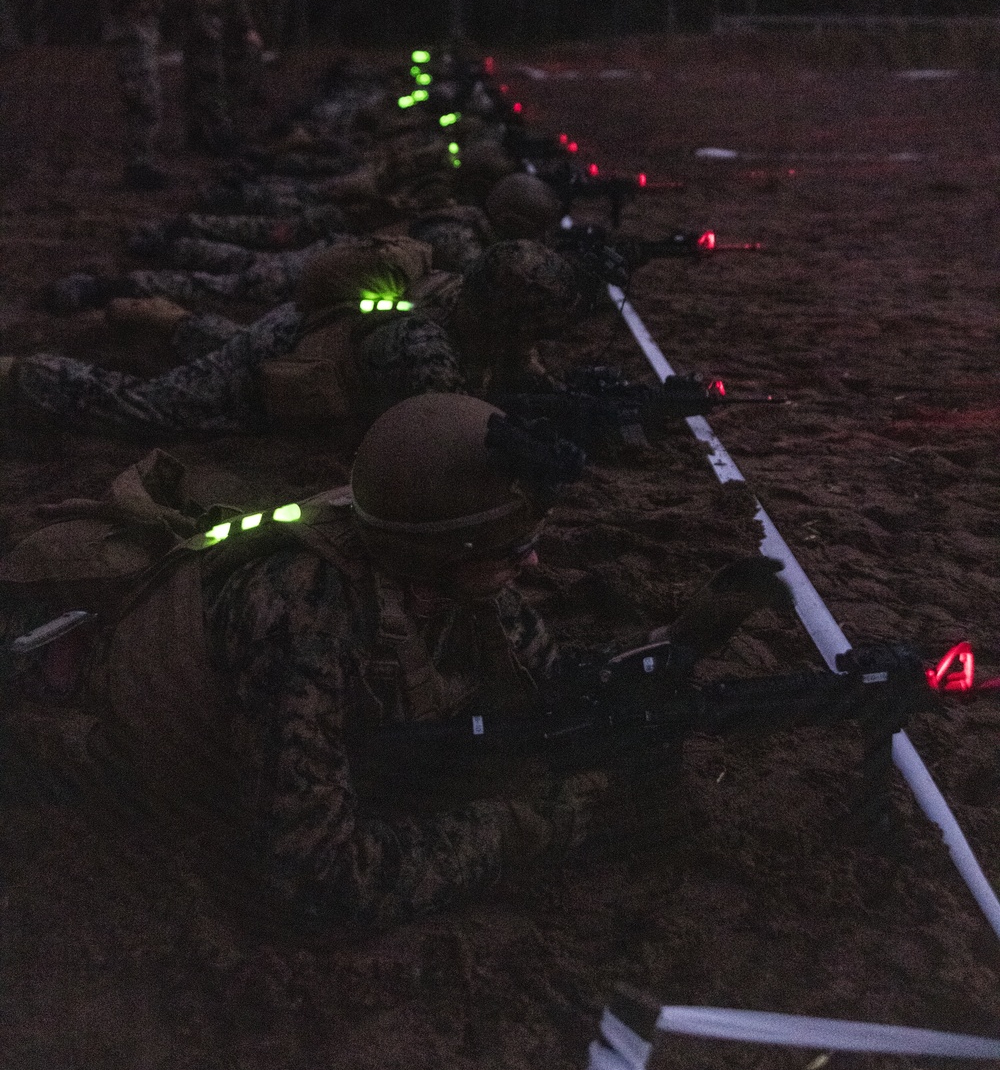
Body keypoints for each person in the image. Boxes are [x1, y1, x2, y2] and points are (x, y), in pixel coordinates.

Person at [0, 396, 789, 927]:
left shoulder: (428, 547)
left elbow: (541, 676)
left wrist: (650, 673)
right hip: (107, 737)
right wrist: (544, 824)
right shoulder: (305, 621)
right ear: (442, 552)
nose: (535, 560)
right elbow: (314, 876)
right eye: (513, 548)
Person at [4, 240, 582, 436]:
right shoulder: (428, 357)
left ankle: (164, 319)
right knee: (152, 407)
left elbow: (519, 367)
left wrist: (569, 403)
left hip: (318, 334)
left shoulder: (472, 298)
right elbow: (443, 439)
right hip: (286, 358)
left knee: (235, 345)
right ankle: (19, 372)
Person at [99, 0, 174, 191]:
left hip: (141, 31)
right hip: (131, 32)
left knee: (147, 99)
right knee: (143, 100)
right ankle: (138, 166)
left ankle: (142, 163)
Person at [177, 0, 235, 156]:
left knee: (201, 79)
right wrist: (202, 21)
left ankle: (201, 134)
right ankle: (217, 136)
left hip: (208, 18)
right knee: (209, 79)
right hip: (201, 20)